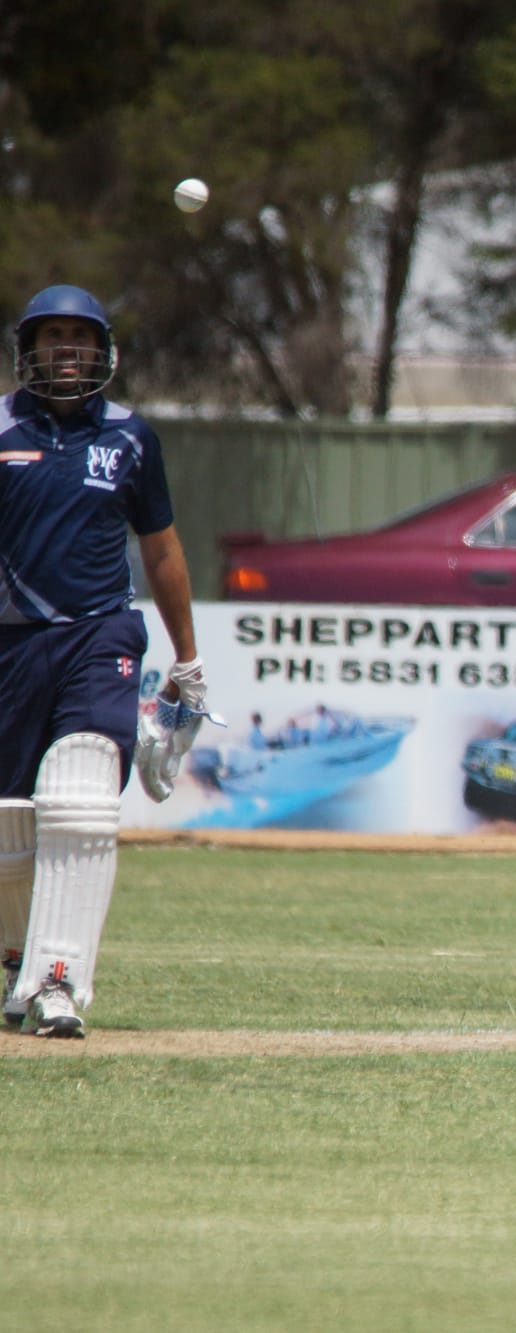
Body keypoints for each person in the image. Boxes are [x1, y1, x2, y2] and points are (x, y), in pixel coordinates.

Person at [0, 283, 213, 1039]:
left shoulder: (130, 438)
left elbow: (162, 550)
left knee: (83, 793)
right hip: (11, 643)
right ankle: (18, 962)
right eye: (52, 335)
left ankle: (57, 981)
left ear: (104, 350)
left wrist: (187, 660)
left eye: (80, 336)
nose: (67, 348)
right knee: (11, 826)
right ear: (29, 348)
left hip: (101, 635)